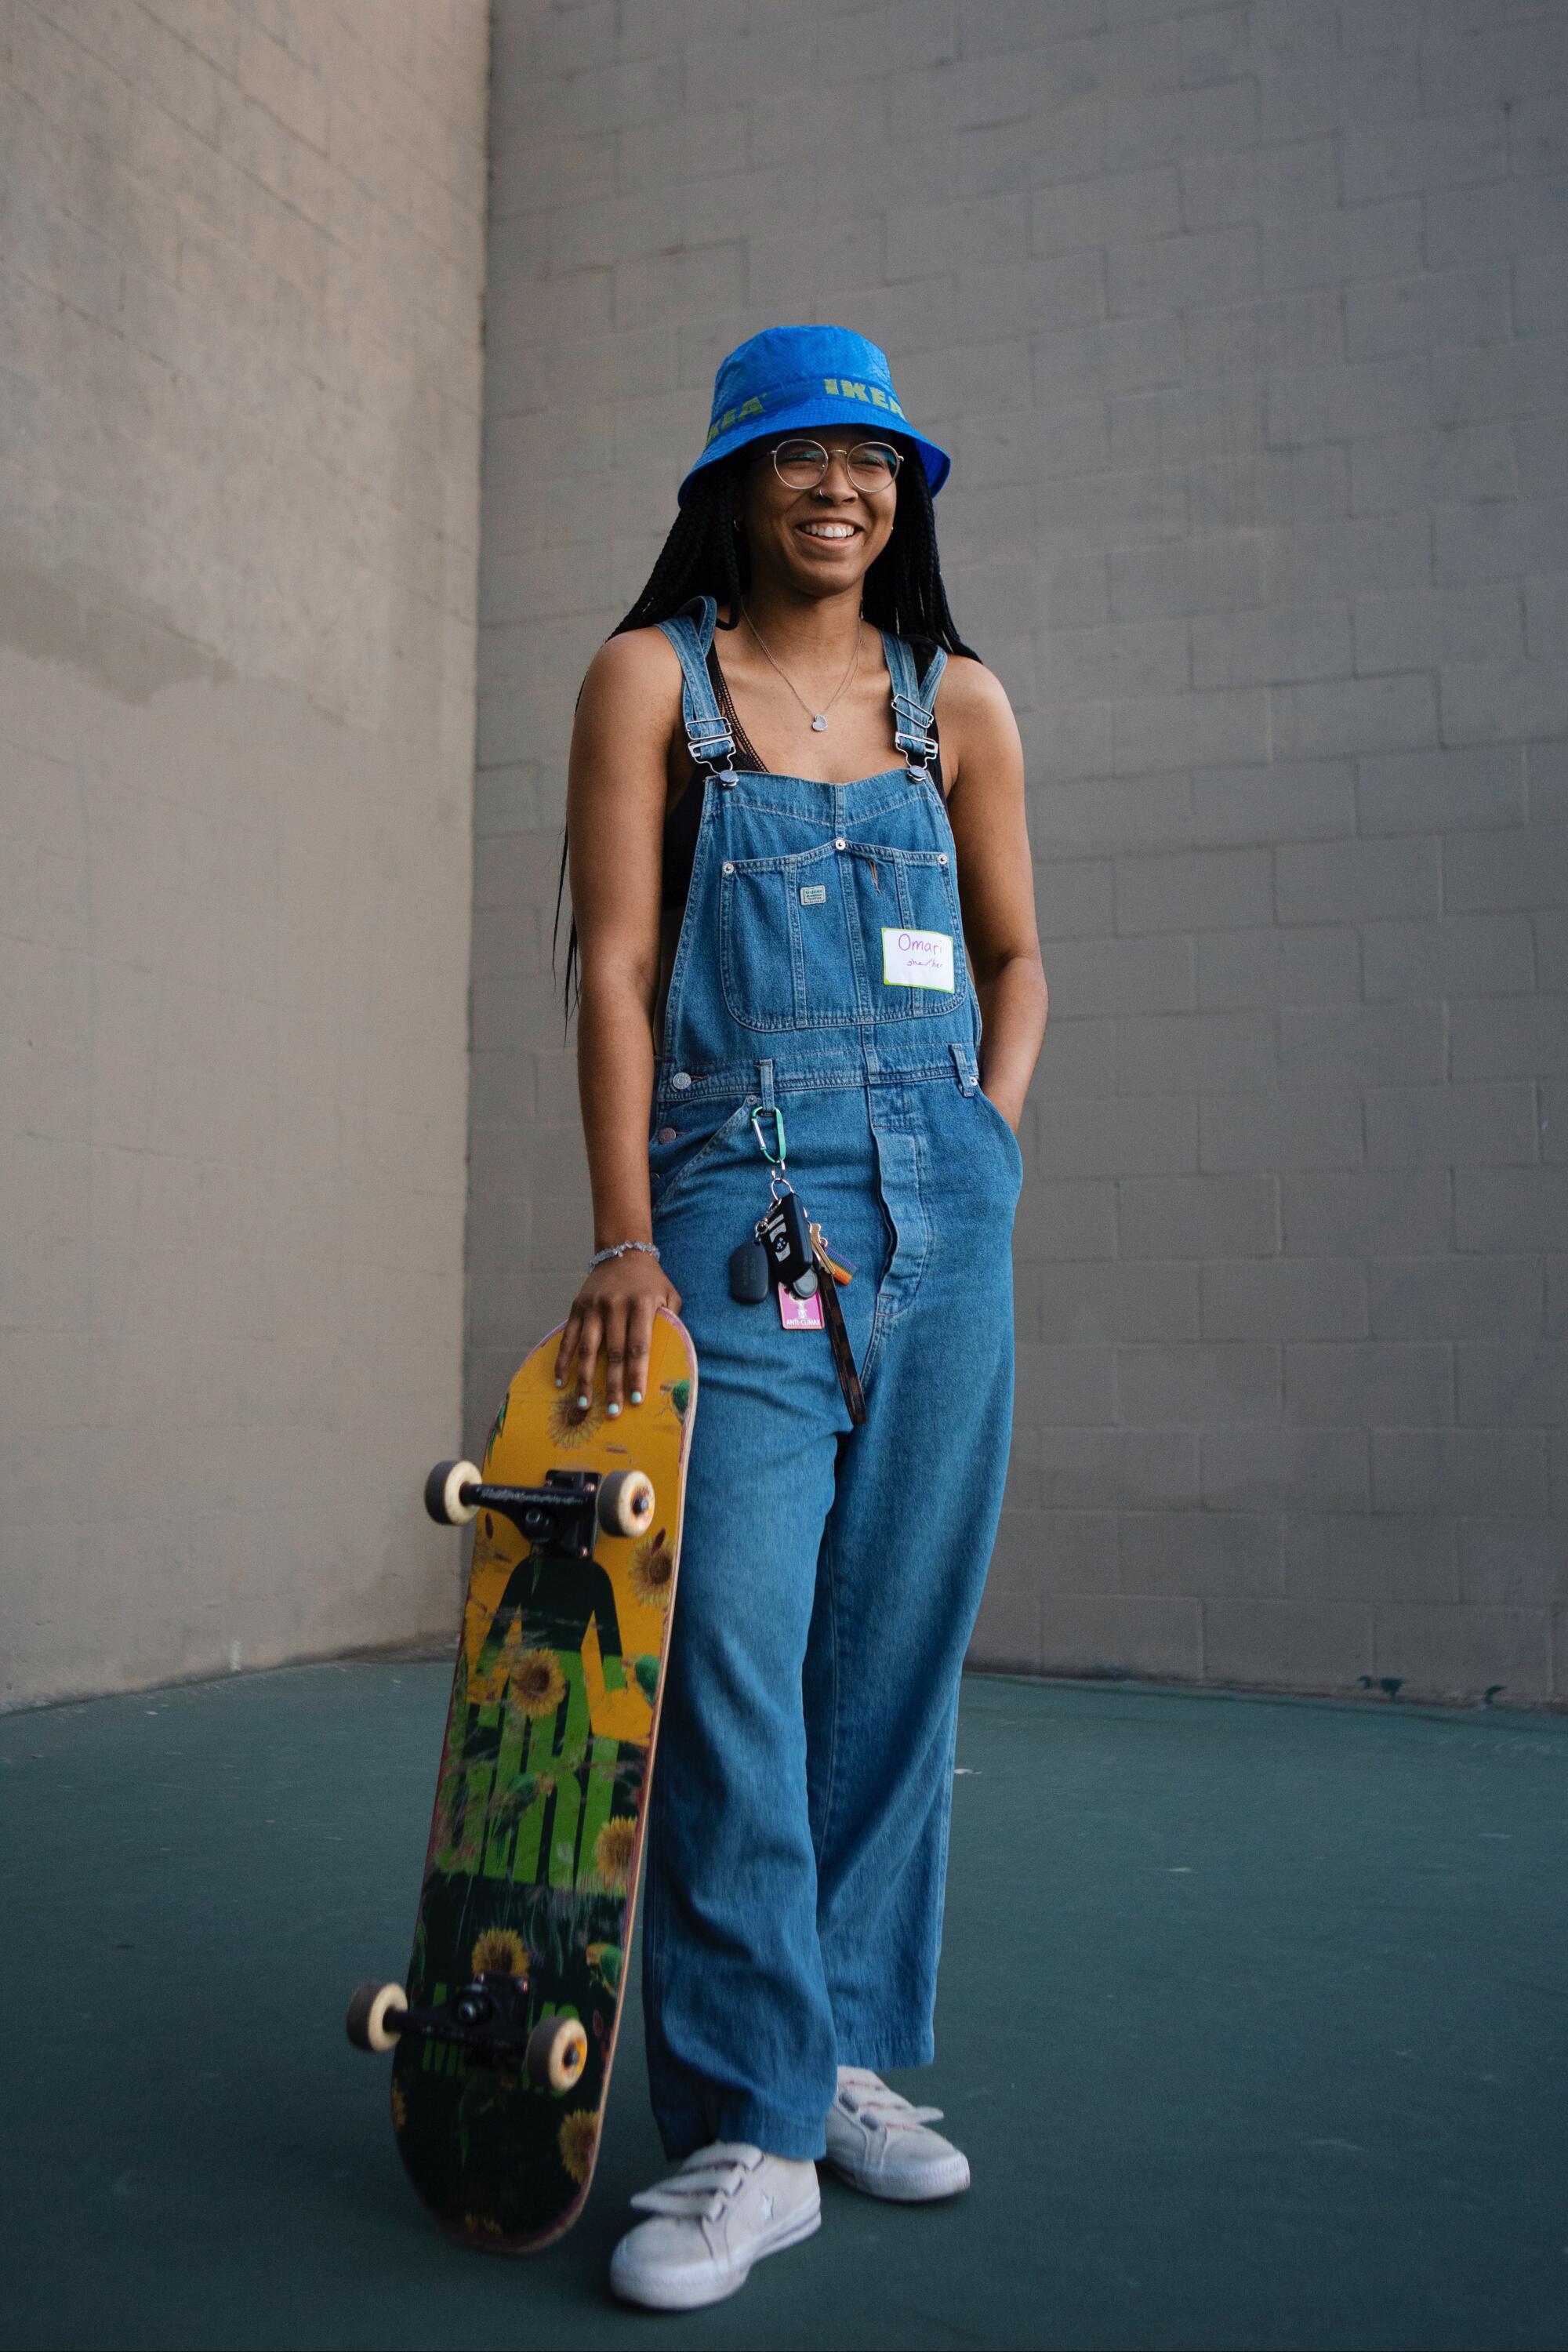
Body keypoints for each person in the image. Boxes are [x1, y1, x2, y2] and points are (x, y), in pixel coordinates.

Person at [554, 323, 1047, 2310]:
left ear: (903, 493)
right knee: (729, 1662)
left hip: (946, 1215)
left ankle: (829, 2047)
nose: (839, 485)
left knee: (890, 1661)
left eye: (874, 458)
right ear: (732, 483)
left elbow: (1019, 958)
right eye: (798, 456)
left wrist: (983, 1153)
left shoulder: (959, 707)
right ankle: (747, 2131)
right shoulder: (651, 686)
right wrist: (620, 1241)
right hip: (733, 1213)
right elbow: (609, 966)